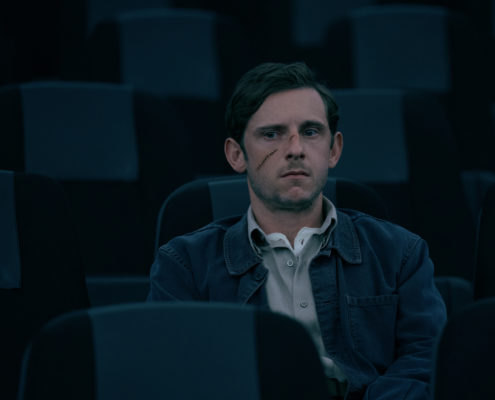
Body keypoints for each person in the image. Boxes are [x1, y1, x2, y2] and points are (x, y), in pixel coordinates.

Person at [147, 62, 447, 399]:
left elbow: (427, 361)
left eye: (310, 131)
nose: (295, 149)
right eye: (271, 133)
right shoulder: (184, 265)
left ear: (333, 149)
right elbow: (173, 376)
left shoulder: (401, 253)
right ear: (236, 155)